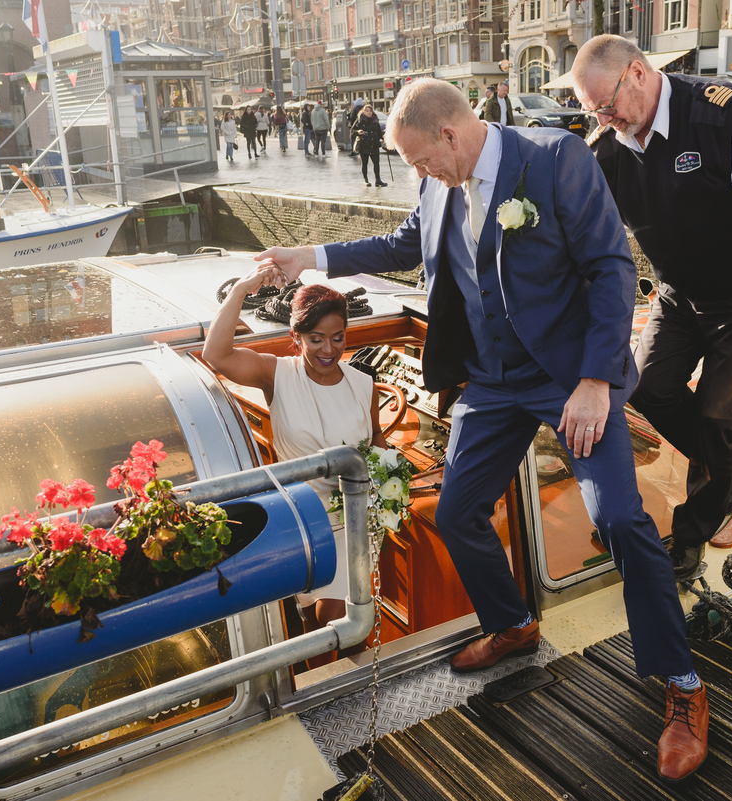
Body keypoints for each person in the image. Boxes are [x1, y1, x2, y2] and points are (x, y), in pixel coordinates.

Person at [256, 76, 705, 783]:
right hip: (494, 381)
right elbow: (403, 243)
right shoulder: (440, 182)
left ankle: (682, 686)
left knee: (619, 518)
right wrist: (308, 257)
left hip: (568, 378)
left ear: (450, 134)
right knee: (459, 510)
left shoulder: (555, 161)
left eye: (419, 161)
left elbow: (615, 270)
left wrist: (593, 382)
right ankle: (513, 623)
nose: (417, 175)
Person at [574, 36, 732, 591]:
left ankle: (690, 534)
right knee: (643, 386)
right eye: (593, 111)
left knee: (714, 415)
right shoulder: (608, 146)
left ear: (637, 72)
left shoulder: (721, 116)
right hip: (679, 294)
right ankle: (730, 455)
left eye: (606, 104)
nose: (604, 119)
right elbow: (578, 232)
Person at [203, 270, 384, 665]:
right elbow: (215, 355)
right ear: (296, 338)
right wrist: (240, 290)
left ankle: (340, 705)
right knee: (312, 626)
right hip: (299, 520)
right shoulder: (276, 374)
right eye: (316, 339)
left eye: (337, 338)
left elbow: (380, 449)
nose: (328, 350)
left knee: (329, 629)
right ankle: (337, 706)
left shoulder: (363, 384)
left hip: (352, 523)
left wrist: (391, 485)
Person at [351, 103, 387, 187]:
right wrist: (358, 132)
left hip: (374, 144)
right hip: (364, 144)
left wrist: (385, 138)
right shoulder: (360, 120)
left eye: (370, 111)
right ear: (363, 112)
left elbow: (379, 132)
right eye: (367, 111)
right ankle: (365, 179)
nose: (369, 112)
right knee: (365, 163)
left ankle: (378, 180)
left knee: (376, 163)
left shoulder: (375, 120)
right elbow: (352, 131)